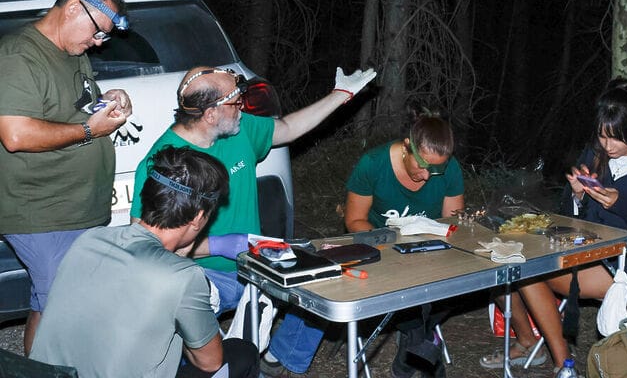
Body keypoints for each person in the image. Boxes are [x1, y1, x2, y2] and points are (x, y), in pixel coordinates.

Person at [129, 65, 376, 313]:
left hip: (257, 265)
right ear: (211, 114)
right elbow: (146, 244)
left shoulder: (238, 129)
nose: (243, 108)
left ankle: (284, 354)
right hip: (200, 273)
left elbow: (288, 128)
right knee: (183, 315)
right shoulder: (162, 164)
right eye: (237, 103)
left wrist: (342, 94)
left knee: (331, 285)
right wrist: (216, 246)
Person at [479, 78, 627, 375]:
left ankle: (564, 364)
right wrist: (577, 196)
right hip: (586, 248)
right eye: (602, 136)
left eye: (615, 137)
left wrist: (621, 204)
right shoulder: (596, 154)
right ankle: (530, 343)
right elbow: (570, 218)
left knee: (526, 271)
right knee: (502, 261)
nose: (607, 145)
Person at [260, 110, 464, 378]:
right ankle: (287, 351)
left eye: (437, 169)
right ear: (406, 146)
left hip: (429, 253)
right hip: (380, 246)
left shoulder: (449, 170)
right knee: (330, 278)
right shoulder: (373, 164)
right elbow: (354, 220)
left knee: (454, 283)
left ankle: (413, 339)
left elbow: (452, 223)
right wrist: (390, 244)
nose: (428, 175)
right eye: (424, 165)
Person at [30, 145, 261, 378]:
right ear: (198, 217)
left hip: (48, 374)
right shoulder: (183, 278)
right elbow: (210, 362)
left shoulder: (90, 239)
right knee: (242, 354)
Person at [0, 0, 133, 354]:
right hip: (41, 211)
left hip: (77, 207)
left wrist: (109, 97)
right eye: (98, 32)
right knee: (60, 302)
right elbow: (16, 134)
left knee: (54, 301)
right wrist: (90, 131)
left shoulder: (73, 52)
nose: (99, 43)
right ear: (74, 8)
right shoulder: (18, 55)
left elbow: (72, 107)